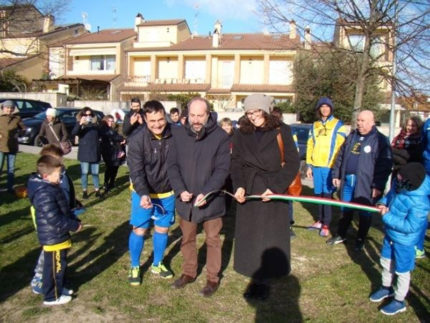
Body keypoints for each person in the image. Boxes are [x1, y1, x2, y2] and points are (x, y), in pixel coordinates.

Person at [231, 94, 300, 300]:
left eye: (256, 112)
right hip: (250, 188)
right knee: (251, 234)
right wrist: (239, 186)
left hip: (273, 189)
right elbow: (235, 162)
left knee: (268, 235)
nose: (252, 116)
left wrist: (276, 187)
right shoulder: (240, 132)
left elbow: (292, 162)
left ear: (266, 111)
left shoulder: (282, 130)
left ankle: (266, 277)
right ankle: (250, 269)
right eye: (249, 112)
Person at [167, 97, 230, 297]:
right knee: (187, 238)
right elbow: (172, 166)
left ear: (208, 115)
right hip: (186, 200)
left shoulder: (220, 136)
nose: (195, 120)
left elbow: (222, 170)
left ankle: (212, 278)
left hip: (211, 200)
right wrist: (180, 190)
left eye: (200, 115)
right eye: (192, 115)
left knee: (212, 239)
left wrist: (207, 192)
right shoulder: (177, 135)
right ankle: (189, 272)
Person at [327, 110, 392, 251]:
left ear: (371, 122)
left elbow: (385, 165)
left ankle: (360, 239)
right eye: (358, 120)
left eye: (362, 121)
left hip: (366, 183)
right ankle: (341, 234)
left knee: (364, 212)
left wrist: (378, 185)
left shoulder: (380, 140)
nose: (359, 123)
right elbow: (340, 156)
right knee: (345, 209)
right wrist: (336, 174)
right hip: (347, 181)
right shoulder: (352, 136)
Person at [369, 162, 429, 316]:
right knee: (386, 262)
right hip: (390, 235)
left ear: (410, 182)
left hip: (404, 242)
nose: (397, 179)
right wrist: (383, 203)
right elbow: (390, 195)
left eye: (400, 178)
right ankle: (386, 287)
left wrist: (387, 216)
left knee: (402, 271)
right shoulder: (400, 183)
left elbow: (410, 227)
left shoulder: (420, 203)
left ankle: (399, 300)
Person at [126, 100, 175, 285]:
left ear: (165, 115)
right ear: (145, 119)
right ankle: (135, 265)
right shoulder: (137, 139)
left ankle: (157, 263)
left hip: (167, 193)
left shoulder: (176, 133)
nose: (157, 124)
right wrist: (143, 193)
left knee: (163, 228)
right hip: (143, 192)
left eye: (160, 119)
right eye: (152, 121)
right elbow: (136, 171)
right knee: (140, 229)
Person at [27, 155, 82, 306]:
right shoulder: (44, 192)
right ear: (46, 176)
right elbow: (54, 218)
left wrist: (73, 218)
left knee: (60, 265)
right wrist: (73, 225)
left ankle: (59, 287)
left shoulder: (50, 186)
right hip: (54, 236)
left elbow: (62, 209)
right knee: (55, 268)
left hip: (59, 234)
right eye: (58, 175)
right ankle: (52, 296)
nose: (60, 178)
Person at [306, 97, 347, 237]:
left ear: (331, 108)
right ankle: (320, 219)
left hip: (329, 167)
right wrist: (309, 165)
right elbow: (310, 145)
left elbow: (340, 148)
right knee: (318, 195)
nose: (324, 109)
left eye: (327, 107)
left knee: (327, 196)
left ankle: (326, 224)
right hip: (316, 166)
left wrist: (337, 169)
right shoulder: (315, 125)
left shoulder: (338, 125)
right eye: (322, 107)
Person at [271, 106, 299, 239]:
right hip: (272, 170)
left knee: (286, 199)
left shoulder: (285, 130)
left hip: (283, 169)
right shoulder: (268, 130)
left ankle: (288, 225)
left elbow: (293, 153)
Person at [71, 107, 102, 199]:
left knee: (95, 173)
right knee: (84, 173)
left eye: (90, 115)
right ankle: (85, 190)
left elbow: (101, 134)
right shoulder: (80, 124)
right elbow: (74, 132)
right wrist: (81, 124)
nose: (88, 116)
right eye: (86, 115)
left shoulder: (96, 125)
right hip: (84, 152)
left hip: (95, 151)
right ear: (82, 115)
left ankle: (97, 190)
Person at [0, 100, 25, 193]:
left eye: (11, 108)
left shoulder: (17, 118)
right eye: (7, 108)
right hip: (1, 146)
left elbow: (23, 129)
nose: (9, 109)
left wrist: (19, 133)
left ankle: (9, 187)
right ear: (3, 108)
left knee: (11, 168)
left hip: (12, 146)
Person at [100, 115, 126, 193]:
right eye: (109, 121)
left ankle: (112, 182)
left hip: (116, 150)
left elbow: (118, 136)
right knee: (109, 167)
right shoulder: (104, 129)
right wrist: (121, 139)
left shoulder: (113, 128)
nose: (111, 123)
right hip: (108, 151)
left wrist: (122, 140)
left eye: (112, 121)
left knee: (115, 167)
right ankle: (106, 183)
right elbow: (115, 137)